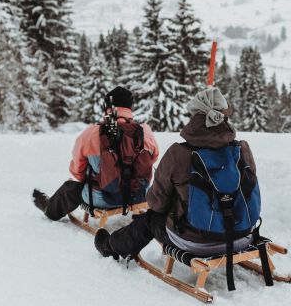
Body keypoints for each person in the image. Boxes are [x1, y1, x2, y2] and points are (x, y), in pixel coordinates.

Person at [94, 87, 258, 261]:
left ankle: (111, 246)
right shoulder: (242, 149)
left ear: (195, 116)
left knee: (150, 218)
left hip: (197, 242)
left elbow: (157, 203)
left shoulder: (178, 153)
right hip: (242, 236)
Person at [33, 86, 159, 221]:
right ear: (129, 108)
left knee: (70, 187)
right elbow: (153, 158)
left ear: (107, 106)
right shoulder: (144, 132)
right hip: (139, 195)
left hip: (103, 198)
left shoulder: (93, 133)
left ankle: (51, 210)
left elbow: (77, 172)